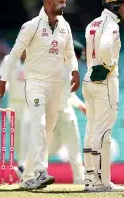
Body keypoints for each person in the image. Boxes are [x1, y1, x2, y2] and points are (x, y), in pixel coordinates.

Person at [0, 0, 80, 190]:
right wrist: (3, 81)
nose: (65, 5)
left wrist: (74, 71)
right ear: (48, 3)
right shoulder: (31, 26)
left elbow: (70, 53)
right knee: (39, 125)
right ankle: (41, 172)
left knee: (47, 132)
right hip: (36, 84)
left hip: (56, 85)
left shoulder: (65, 26)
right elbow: (14, 54)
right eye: (61, 2)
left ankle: (26, 176)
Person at [82, 0, 124, 192]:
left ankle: (89, 177)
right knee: (104, 130)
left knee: (91, 128)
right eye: (123, 4)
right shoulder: (112, 24)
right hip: (104, 80)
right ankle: (101, 181)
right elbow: (104, 48)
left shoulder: (92, 23)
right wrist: (108, 66)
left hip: (89, 78)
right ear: (112, 4)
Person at [48, 41, 86, 184]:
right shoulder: (65, 70)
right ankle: (80, 179)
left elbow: (67, 94)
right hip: (64, 112)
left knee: (54, 146)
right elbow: (65, 95)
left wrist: (81, 106)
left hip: (54, 113)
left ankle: (27, 168)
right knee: (74, 146)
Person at [0, 50, 30, 177]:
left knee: (27, 132)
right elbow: (2, 78)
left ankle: (26, 165)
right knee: (18, 135)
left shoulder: (35, 58)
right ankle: (21, 166)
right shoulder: (9, 59)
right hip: (13, 103)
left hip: (29, 103)